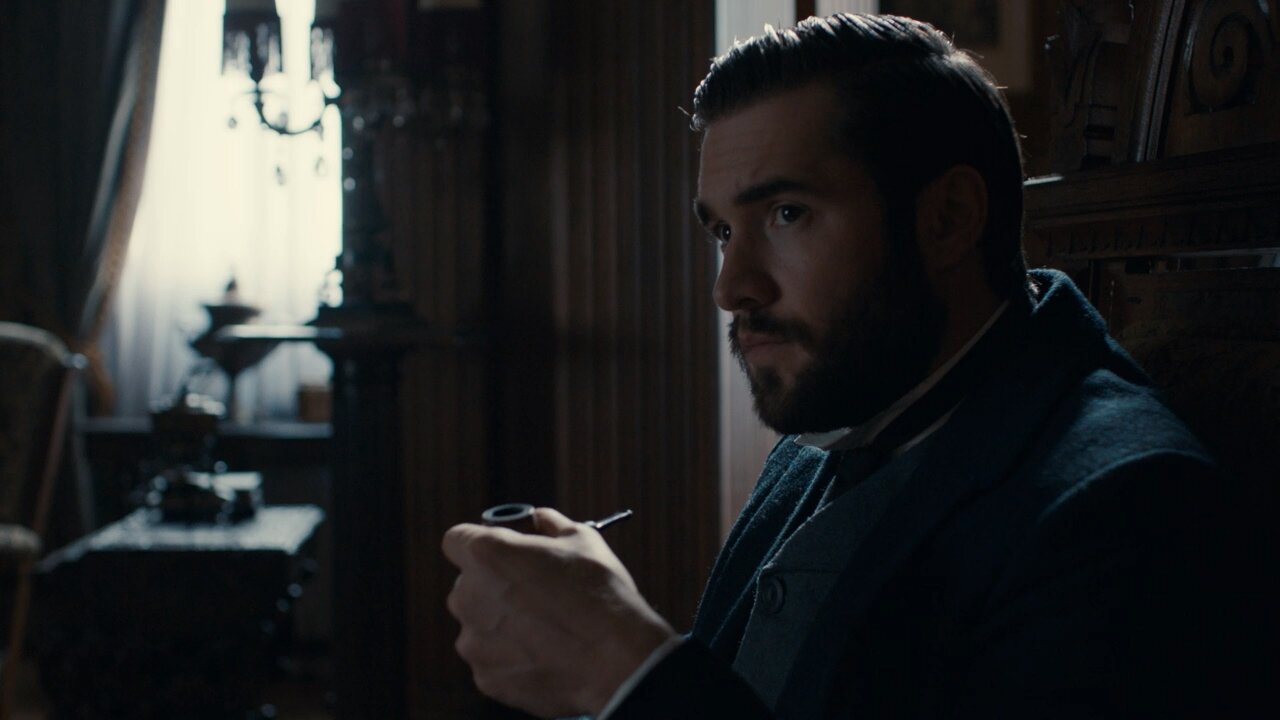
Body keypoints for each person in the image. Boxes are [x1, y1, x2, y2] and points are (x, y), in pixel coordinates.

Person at [443, 13, 1273, 718]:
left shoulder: (1132, 513)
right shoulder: (839, 412)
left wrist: (627, 670)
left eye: (787, 212)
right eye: (724, 231)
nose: (732, 287)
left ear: (948, 219)